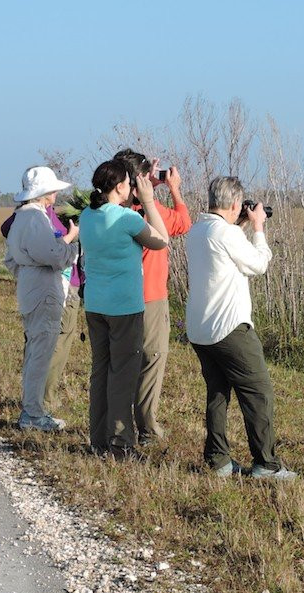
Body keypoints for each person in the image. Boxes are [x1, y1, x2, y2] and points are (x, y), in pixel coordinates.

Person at [184, 176, 296, 480]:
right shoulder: (226, 234)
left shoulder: (197, 230)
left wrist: (240, 225)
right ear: (236, 203)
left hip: (200, 329)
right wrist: (258, 228)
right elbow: (257, 264)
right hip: (230, 328)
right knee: (258, 394)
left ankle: (218, 460)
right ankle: (265, 464)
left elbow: (224, 252)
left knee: (218, 392)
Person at [78, 159, 169, 459]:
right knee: (123, 376)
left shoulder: (87, 216)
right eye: (129, 184)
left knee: (100, 372)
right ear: (119, 187)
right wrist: (148, 201)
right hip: (124, 309)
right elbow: (161, 240)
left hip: (95, 305)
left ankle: (98, 439)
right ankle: (120, 443)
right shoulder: (126, 219)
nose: (132, 188)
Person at [112, 149, 192, 444]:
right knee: (151, 360)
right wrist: (173, 189)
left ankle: (118, 427)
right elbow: (183, 223)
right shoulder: (149, 213)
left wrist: (147, 189)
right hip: (150, 298)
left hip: (116, 298)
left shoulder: (110, 212)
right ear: (139, 181)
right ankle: (147, 427)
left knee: (121, 363)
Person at [3, 166, 79, 432]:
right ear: (44, 192)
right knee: (41, 353)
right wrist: (70, 244)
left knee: (35, 350)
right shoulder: (35, 218)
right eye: (54, 189)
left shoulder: (21, 218)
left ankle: (31, 408)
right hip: (44, 288)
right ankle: (33, 414)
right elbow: (55, 256)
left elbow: (10, 259)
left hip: (29, 286)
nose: (57, 193)